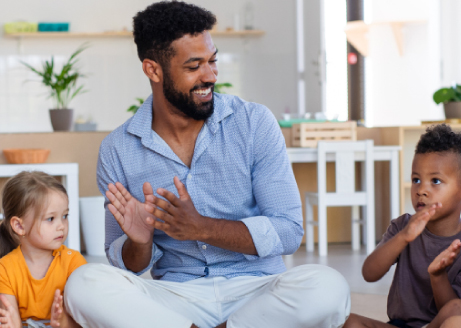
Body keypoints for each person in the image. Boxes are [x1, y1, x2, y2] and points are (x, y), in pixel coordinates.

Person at [63, 1, 350, 328]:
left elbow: (288, 232)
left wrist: (201, 228)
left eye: (212, 61)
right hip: (177, 296)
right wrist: (139, 242)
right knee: (84, 283)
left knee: (328, 287)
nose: (210, 75)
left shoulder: (253, 122)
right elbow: (127, 267)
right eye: (194, 66)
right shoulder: (118, 149)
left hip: (257, 292)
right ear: (153, 70)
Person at [344, 124, 461, 328]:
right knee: (347, 321)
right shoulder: (403, 226)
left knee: (456, 313)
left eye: (436, 181)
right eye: (416, 179)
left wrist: (438, 276)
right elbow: (369, 273)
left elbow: (456, 312)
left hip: (444, 324)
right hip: (400, 324)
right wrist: (403, 237)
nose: (421, 189)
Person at [0, 171, 86, 328]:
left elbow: (88, 321)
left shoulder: (74, 262)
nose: (61, 226)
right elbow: (11, 321)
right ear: (19, 226)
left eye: (65, 216)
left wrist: (65, 324)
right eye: (50, 219)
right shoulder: (4, 269)